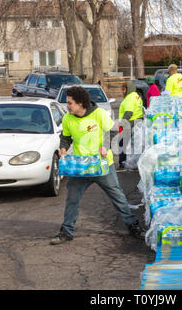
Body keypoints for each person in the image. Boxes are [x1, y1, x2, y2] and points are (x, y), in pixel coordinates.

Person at [51, 86, 144, 245]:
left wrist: (106, 146)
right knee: (72, 199)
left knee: (118, 197)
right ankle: (67, 231)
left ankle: (133, 226)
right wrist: (63, 148)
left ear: (80, 103)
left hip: (102, 166)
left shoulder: (99, 114)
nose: (67, 106)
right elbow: (66, 137)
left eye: (70, 103)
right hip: (80, 167)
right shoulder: (68, 119)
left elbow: (113, 131)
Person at [118, 81, 144, 168]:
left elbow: (128, 112)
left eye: (124, 89)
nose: (122, 91)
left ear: (128, 89)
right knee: (135, 145)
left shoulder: (129, 98)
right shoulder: (137, 96)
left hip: (129, 123)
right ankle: (135, 162)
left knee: (122, 144)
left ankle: (122, 163)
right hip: (138, 122)